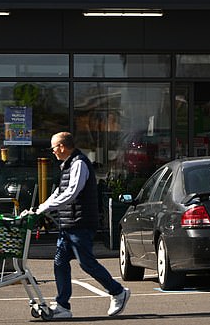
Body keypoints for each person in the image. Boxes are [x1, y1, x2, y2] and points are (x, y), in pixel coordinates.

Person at [21, 131, 130, 319]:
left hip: (81, 223)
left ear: (62, 147)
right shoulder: (67, 165)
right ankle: (63, 306)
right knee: (60, 262)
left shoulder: (79, 163)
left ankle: (118, 291)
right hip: (68, 224)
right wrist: (40, 209)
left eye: (53, 148)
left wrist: (44, 209)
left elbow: (71, 193)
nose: (53, 151)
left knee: (86, 263)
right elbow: (58, 192)